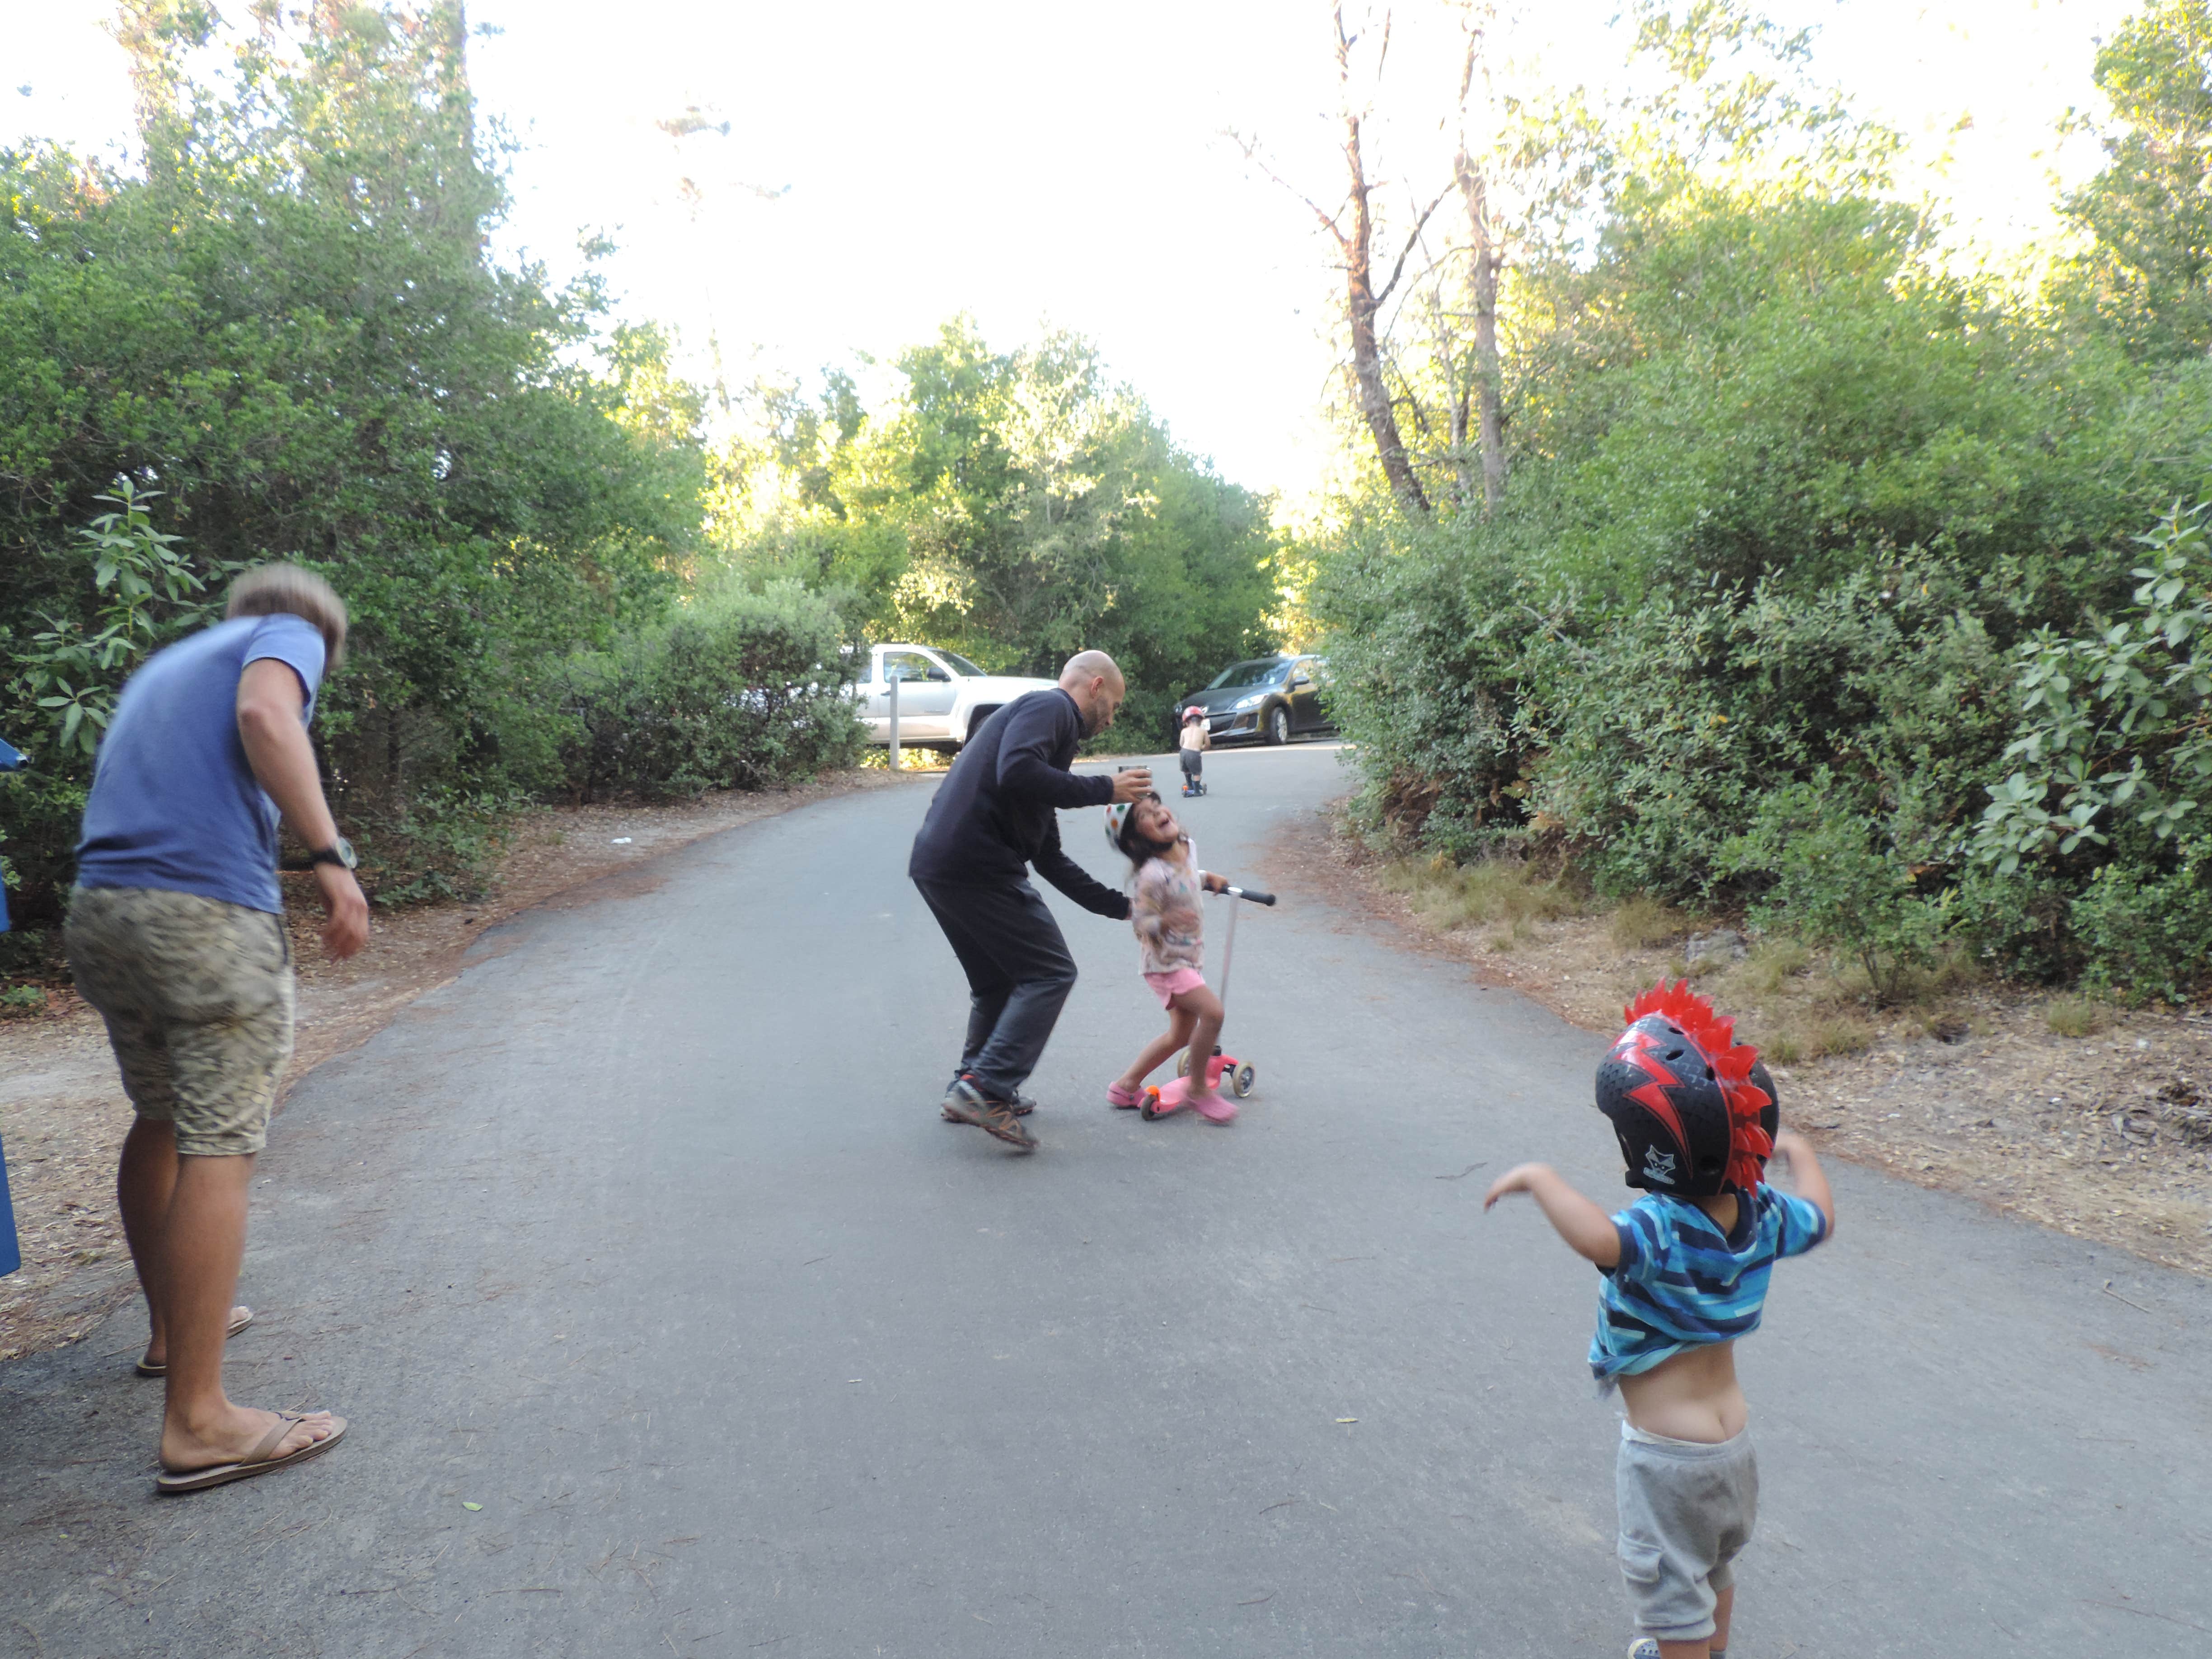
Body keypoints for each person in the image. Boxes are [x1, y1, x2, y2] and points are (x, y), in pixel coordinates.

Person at [66, 564, 369, 1493]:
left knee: (161, 1117)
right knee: (220, 1142)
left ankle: (170, 1330)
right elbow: (266, 720)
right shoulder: (293, 632)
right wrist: (331, 857)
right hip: (201, 915)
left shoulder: (171, 663)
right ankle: (200, 1420)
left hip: (103, 910)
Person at [1482, 982, 1835, 1659]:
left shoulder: (1660, 1228)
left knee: (1672, 1600)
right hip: (1733, 1454)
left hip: (1668, 1463)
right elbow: (1819, 1218)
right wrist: (1804, 1156)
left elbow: (1599, 1242)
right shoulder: (1765, 1215)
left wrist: (1540, 1179)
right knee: (1712, 1569)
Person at [909, 649, 1152, 1151]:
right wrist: (1108, 788)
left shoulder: (1048, 747)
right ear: (1096, 687)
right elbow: (1016, 770)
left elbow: (1049, 857)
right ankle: (984, 1089)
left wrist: (1123, 907)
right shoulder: (1051, 709)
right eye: (1116, 705)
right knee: (1050, 972)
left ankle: (970, 1084)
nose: (1113, 717)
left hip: (942, 863)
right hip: (976, 862)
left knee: (998, 983)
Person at [1101, 793, 1234, 1121]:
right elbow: (1141, 919)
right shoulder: (1152, 876)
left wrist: (1206, 879)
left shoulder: (1187, 846)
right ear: (1135, 842)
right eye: (1146, 815)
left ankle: (1126, 1085)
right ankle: (1199, 1089)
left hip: (1187, 958)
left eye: (1157, 805)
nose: (1158, 812)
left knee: (1180, 1036)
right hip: (1165, 964)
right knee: (1213, 1014)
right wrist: (1165, 921)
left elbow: (1187, 879)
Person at [1177, 706, 1209, 797]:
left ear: (1187, 722)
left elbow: (1181, 744)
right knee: (1197, 773)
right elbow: (1207, 744)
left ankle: (1189, 786)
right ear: (1200, 721)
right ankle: (1196, 791)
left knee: (1187, 770)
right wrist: (1202, 748)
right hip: (1194, 753)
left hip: (1183, 753)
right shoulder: (1203, 731)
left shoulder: (1184, 731)